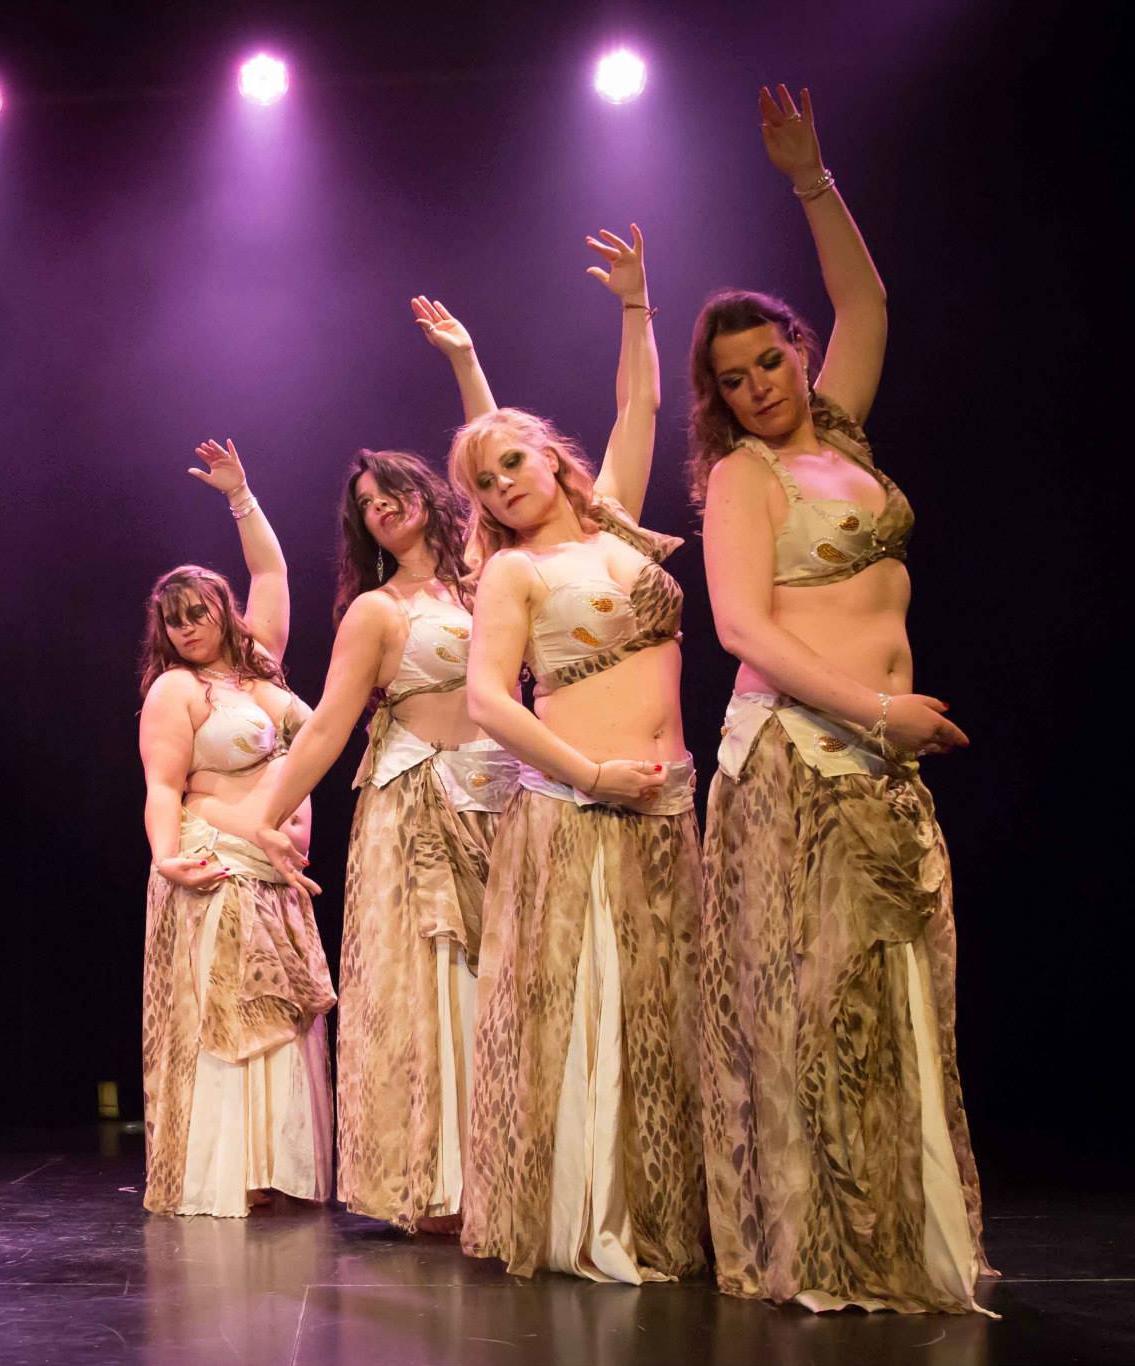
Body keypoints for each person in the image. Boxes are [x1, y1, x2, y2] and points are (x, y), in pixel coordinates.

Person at [693, 86, 992, 1315]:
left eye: (769, 360)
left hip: (879, 760)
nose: (758, 385)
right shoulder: (742, 477)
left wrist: (808, 179)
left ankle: (899, 1235)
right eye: (733, 378)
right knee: (811, 1008)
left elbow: (866, 302)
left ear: (798, 354)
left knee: (892, 998)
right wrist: (875, 714)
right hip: (798, 757)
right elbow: (740, 629)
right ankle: (823, 1247)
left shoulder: (845, 444)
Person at [450, 226, 710, 1281]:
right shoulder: (511, 575)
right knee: (588, 1013)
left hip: (667, 803)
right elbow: (484, 699)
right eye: (483, 482)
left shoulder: (618, 533)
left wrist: (637, 305)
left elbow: (638, 408)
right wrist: (590, 773)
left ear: (552, 458)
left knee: (657, 1014)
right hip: (581, 806)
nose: (502, 485)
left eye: (512, 462)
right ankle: (583, 1218)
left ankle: (654, 1212)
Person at [250, 437, 518, 1234]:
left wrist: (466, 373)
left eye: (389, 492)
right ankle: (442, 1186)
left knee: (504, 983)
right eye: (365, 505)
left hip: (504, 803)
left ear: (429, 494)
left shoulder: (488, 580)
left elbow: (494, 442)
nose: (379, 508)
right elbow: (328, 727)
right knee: (436, 988)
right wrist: (267, 816)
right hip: (417, 809)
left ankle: (512, 1172)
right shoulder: (378, 610)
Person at [137, 440, 335, 1217]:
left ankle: (279, 1168)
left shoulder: (261, 670)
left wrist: (240, 497)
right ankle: (231, 1172)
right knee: (228, 1015)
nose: (187, 627)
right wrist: (166, 856)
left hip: (275, 874)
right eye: (174, 619)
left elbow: (273, 574)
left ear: (224, 612)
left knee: (280, 1017)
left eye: (199, 612)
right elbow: (163, 787)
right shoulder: (176, 691)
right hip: (218, 864)